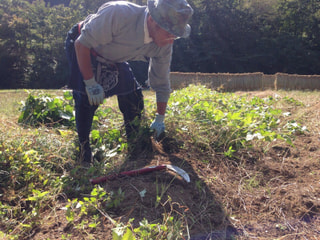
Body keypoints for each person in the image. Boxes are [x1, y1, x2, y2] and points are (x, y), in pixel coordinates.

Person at [65, 0, 193, 165]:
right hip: (85, 47)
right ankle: (84, 153)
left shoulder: (164, 45)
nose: (171, 40)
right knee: (86, 100)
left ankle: (135, 146)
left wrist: (160, 117)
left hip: (115, 56)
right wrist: (90, 83)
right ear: (153, 21)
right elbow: (81, 44)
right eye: (169, 33)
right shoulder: (119, 14)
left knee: (133, 95)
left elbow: (161, 82)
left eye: (176, 35)